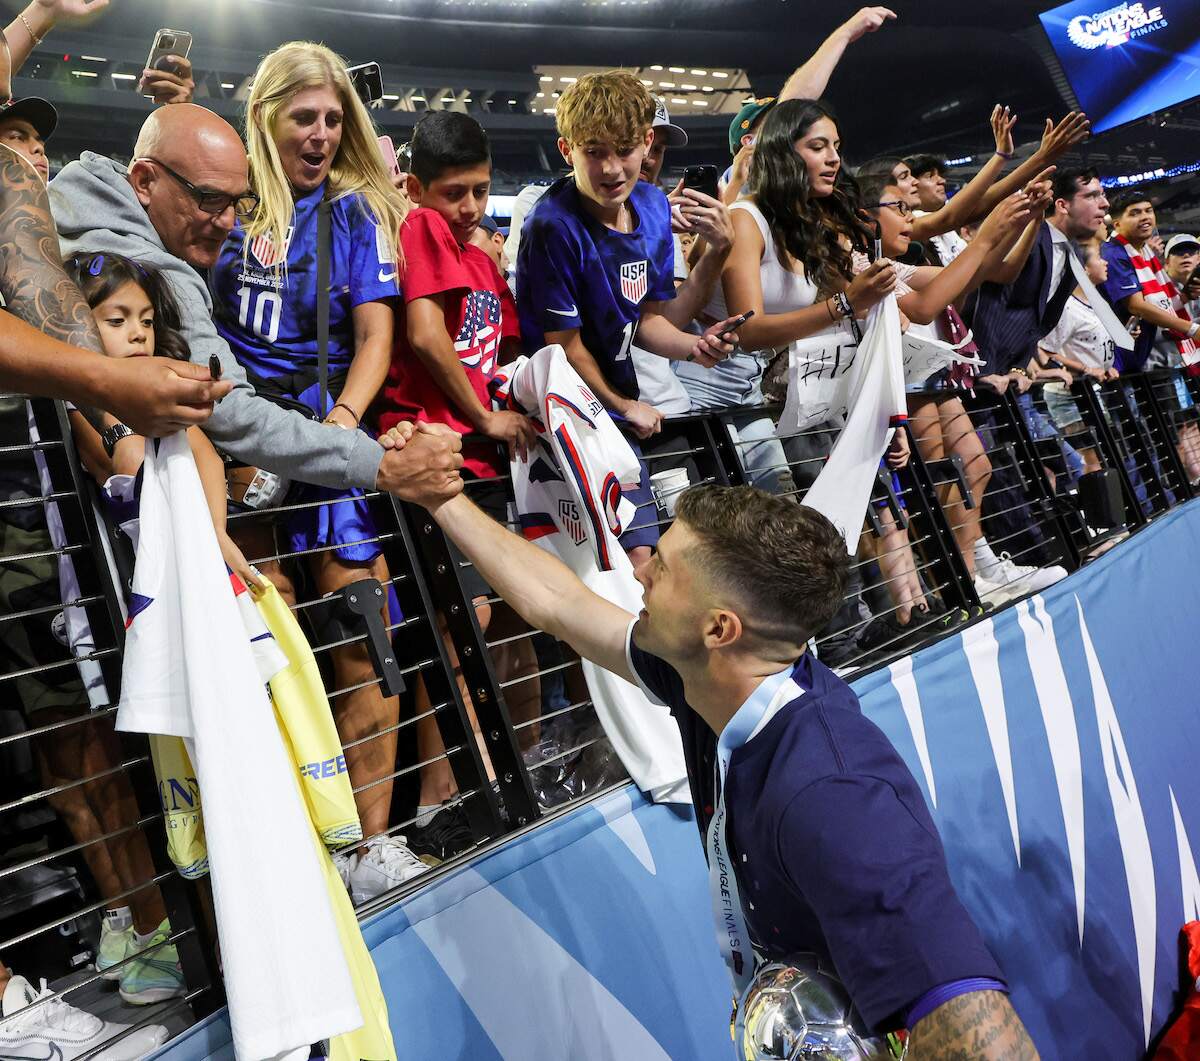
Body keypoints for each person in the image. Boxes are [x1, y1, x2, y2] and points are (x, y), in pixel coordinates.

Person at [384, 454, 1037, 1053]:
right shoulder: (705, 677)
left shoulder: (835, 798)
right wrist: (442, 500)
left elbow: (989, 1039)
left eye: (661, 567)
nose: (640, 571)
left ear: (719, 627)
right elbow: (560, 604)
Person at [207, 40, 425, 901]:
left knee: (367, 641)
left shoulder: (357, 210)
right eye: (306, 117)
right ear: (265, 117)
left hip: (328, 448)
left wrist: (340, 424)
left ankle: (370, 847)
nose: (324, 133)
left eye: (336, 118)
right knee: (272, 657)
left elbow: (377, 337)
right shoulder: (223, 207)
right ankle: (299, 857)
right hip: (236, 455)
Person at [48, 104, 464, 516]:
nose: (228, 222)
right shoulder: (158, 270)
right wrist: (379, 463)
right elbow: (228, 408)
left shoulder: (61, 209)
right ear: (143, 180)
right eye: (210, 199)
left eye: (238, 202)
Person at [60, 251, 260, 1007]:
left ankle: (230, 942)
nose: (139, 336)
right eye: (118, 321)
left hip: (193, 608)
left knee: (210, 783)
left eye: (147, 321)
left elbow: (203, 452)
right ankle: (182, 944)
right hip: (127, 628)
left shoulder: (148, 402)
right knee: (166, 790)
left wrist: (215, 537)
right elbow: (144, 460)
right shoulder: (86, 406)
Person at [375, 110, 540, 856]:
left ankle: (516, 770)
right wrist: (484, 415)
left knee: (509, 622)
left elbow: (498, 346)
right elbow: (424, 336)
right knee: (455, 628)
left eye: (480, 191)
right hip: (442, 458)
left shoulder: (475, 252)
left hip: (486, 462)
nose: (471, 208)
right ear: (414, 188)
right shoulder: (420, 230)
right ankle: (444, 798)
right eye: (454, 193)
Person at [515, 70, 737, 567]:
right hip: (562, 416)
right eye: (595, 151)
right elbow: (563, 349)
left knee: (686, 549)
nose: (612, 168)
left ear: (647, 142)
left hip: (619, 407)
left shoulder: (655, 206)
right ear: (566, 149)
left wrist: (695, 347)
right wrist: (621, 405)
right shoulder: (551, 226)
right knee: (635, 561)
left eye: (624, 149)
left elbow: (649, 321)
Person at [721, 5, 898, 202]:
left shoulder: (798, 182)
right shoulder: (743, 177)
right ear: (750, 142)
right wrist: (845, 33)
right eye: (774, 122)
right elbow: (794, 99)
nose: (834, 158)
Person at [1099, 192, 1200, 375]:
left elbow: (1159, 302)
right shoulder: (1114, 254)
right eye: (1135, 213)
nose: (1145, 217)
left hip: (1143, 354)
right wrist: (1191, 329)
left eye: (1148, 211)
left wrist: (1183, 297)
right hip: (1120, 360)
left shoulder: (1145, 251)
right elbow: (1136, 306)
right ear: (1117, 223)